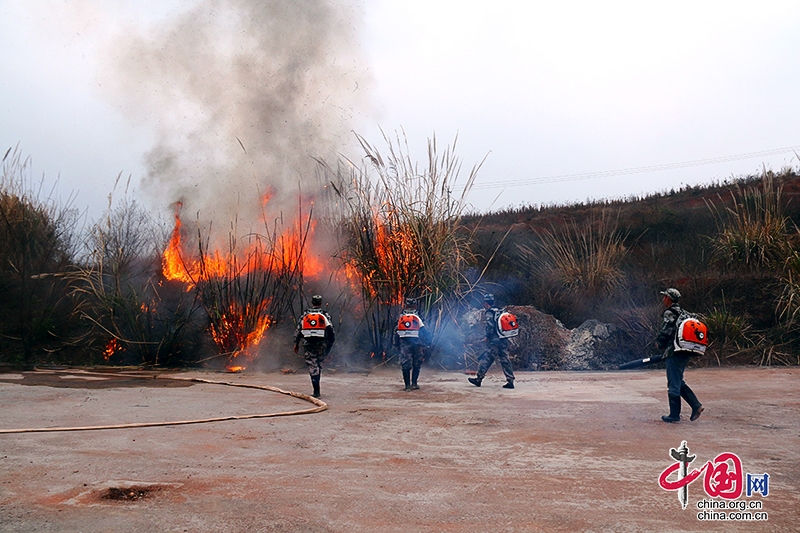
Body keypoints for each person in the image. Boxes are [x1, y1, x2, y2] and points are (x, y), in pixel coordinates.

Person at [656, 288, 704, 423]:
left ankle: (674, 415)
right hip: (686, 349)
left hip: (674, 351)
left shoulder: (670, 313)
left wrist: (659, 343)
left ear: (668, 298)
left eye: (664, 296)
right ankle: (696, 405)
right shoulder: (684, 313)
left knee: (673, 382)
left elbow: (666, 331)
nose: (663, 299)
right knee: (678, 380)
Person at [468, 293, 515, 389]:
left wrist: (487, 336)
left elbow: (490, 326)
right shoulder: (499, 310)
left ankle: (478, 379)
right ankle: (510, 381)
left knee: (486, 359)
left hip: (495, 341)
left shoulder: (490, 312)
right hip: (504, 338)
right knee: (505, 360)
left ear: (485, 303)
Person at [294, 295, 335, 399]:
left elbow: (299, 329)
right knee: (318, 364)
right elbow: (331, 330)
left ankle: (316, 391)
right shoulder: (324, 314)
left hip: (308, 343)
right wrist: (329, 345)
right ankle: (317, 389)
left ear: (312, 302)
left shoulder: (305, 314)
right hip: (322, 343)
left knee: (312, 366)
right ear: (320, 303)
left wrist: (296, 343)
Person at [392, 297, 430, 391]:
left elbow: (396, 332)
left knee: (405, 363)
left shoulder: (401, 317)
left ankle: (407, 385)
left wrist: (396, 344)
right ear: (415, 306)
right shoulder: (417, 317)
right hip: (417, 343)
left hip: (404, 343)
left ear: (406, 305)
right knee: (417, 362)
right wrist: (427, 342)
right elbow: (424, 331)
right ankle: (414, 383)